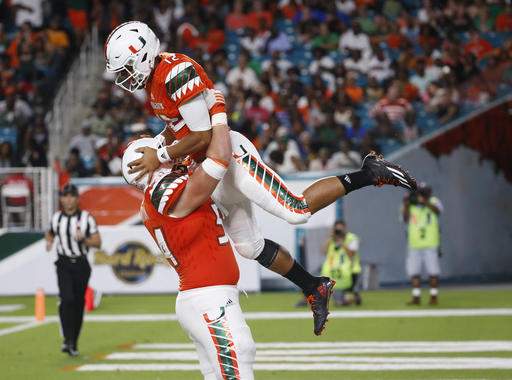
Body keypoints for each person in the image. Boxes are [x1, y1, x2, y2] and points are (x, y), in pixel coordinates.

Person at [105, 21, 417, 335]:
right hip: (209, 168)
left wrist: (159, 155)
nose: (124, 78)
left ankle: (368, 173)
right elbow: (181, 126)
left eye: (126, 69)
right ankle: (313, 286)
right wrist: (161, 143)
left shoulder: (175, 74)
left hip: (228, 155)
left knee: (295, 210)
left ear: (143, 55)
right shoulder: (156, 83)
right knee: (249, 246)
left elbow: (202, 135)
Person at [122, 124, 256, 379]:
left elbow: (178, 145)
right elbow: (217, 160)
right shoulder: (162, 192)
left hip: (205, 296)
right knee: (238, 357)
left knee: (221, 371)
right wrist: (216, 115)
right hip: (207, 298)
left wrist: (178, 126)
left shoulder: (157, 194)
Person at [45, 184, 101, 356]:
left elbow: (98, 242)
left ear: (77, 199)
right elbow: (50, 232)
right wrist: (49, 242)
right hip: (63, 264)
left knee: (78, 304)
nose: (68, 199)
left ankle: (72, 342)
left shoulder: (86, 218)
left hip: (81, 265)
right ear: (61, 199)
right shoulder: (56, 218)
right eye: (65, 196)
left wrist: (84, 239)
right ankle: (67, 338)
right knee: (67, 299)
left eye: (71, 196)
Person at [401, 182, 443, 305]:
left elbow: (438, 211)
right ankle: (416, 297)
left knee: (433, 272)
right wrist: (406, 204)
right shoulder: (411, 204)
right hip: (414, 244)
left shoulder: (434, 201)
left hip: (431, 243)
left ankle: (434, 296)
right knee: (414, 272)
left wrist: (425, 202)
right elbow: (404, 218)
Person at [321, 220, 361, 306]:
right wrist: (330, 238)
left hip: (351, 270)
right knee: (339, 300)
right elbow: (323, 251)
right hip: (336, 272)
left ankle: (353, 296)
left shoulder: (352, 238)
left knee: (348, 297)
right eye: (337, 230)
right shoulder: (332, 240)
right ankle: (346, 298)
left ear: (345, 229)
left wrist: (342, 242)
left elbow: (352, 253)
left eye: (340, 230)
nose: (338, 232)